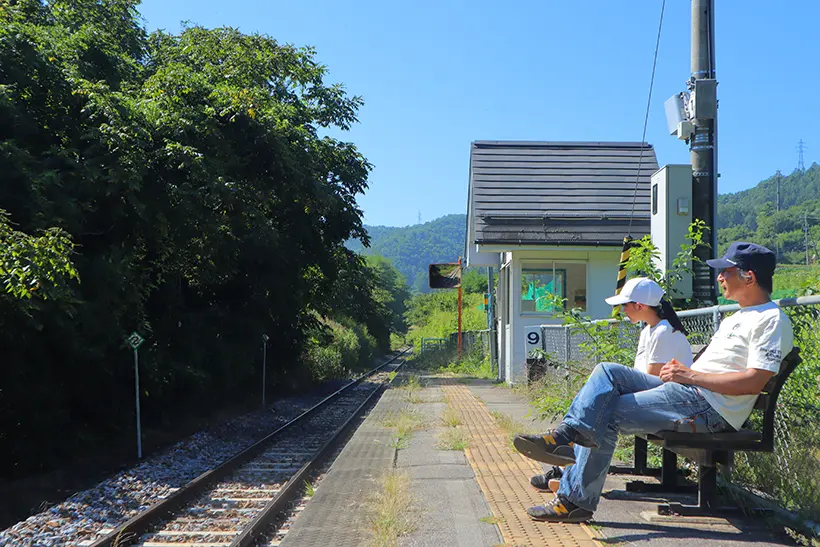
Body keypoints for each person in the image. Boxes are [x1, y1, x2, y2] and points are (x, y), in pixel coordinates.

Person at [515, 242, 794, 522]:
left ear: (749, 276)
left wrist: (690, 375)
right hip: (689, 394)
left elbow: (754, 382)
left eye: (726, 271)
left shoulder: (771, 320)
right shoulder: (735, 317)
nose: (720, 277)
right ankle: (567, 439)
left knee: (604, 413)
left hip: (708, 407)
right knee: (607, 372)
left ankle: (573, 497)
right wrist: (685, 375)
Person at [529, 277, 693, 494]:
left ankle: (567, 471)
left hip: (667, 400)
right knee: (592, 410)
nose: (622, 310)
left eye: (624, 305)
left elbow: (654, 382)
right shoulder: (649, 330)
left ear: (639, 306)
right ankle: (567, 472)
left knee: (595, 407)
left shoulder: (664, 331)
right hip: (654, 396)